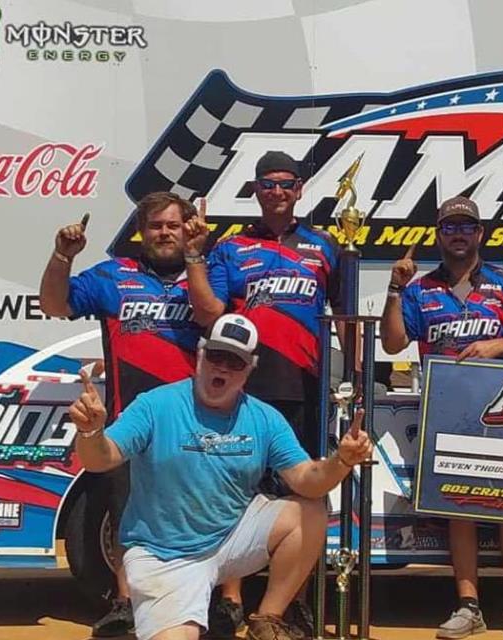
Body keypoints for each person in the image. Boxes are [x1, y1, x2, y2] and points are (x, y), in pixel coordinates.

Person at [68, 313, 373, 640]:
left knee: (309, 510)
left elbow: (306, 479)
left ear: (250, 368)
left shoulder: (264, 418)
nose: (223, 367)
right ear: (200, 353)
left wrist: (341, 461)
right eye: (216, 355)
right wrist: (91, 432)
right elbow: (102, 458)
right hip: (164, 554)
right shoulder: (155, 405)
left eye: (235, 361)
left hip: (231, 539)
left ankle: (267, 618)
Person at [183, 151, 342, 635]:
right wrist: (195, 255)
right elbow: (208, 312)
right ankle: (230, 599)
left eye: (286, 183)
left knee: (300, 493)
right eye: (268, 184)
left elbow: (347, 314)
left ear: (300, 189)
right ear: (255, 189)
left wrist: (353, 381)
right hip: (244, 388)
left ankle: (288, 603)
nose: (277, 192)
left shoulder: (326, 247)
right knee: (236, 491)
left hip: (305, 388)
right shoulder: (232, 249)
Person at [380, 196, 503, 640]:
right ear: (439, 235)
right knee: (460, 509)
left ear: (480, 234)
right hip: (446, 414)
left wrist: (496, 346)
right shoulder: (419, 288)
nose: (459, 234)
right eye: (450, 227)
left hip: (502, 413)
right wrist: (394, 289)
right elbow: (395, 343)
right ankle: (468, 605)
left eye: (467, 227)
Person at [39, 191, 204, 637]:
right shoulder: (115, 274)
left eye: (172, 224)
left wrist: (198, 259)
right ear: (141, 231)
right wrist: (61, 257)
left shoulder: (204, 275)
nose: (164, 232)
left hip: (196, 419)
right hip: (128, 419)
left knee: (206, 513)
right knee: (128, 515)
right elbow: (55, 305)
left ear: (187, 227)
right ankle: (126, 605)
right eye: (155, 225)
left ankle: (205, 605)